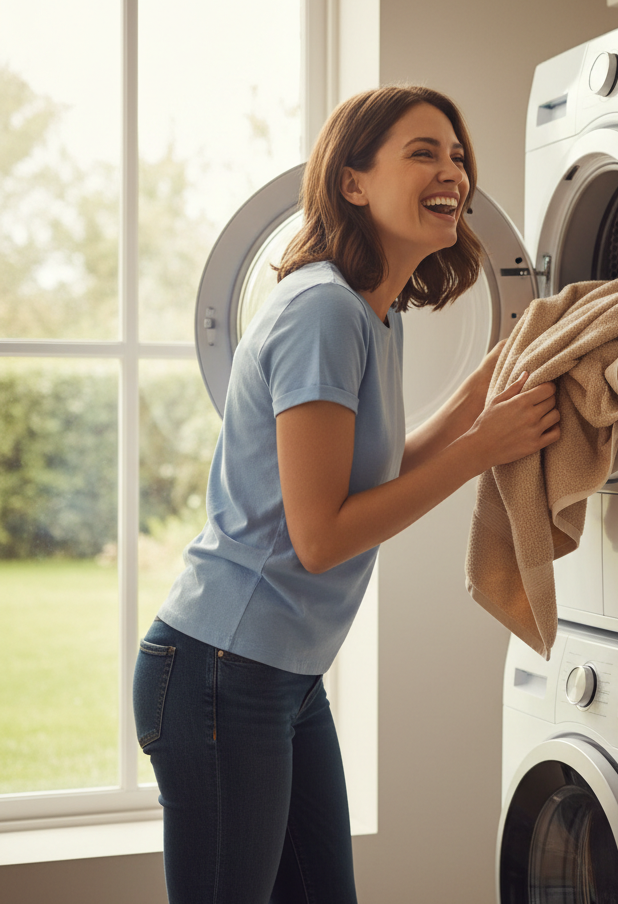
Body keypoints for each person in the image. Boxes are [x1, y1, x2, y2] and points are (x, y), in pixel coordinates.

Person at [132, 85, 561, 904]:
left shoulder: (373, 312)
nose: (455, 173)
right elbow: (322, 534)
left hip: (279, 677)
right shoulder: (324, 310)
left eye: (459, 155)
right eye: (424, 152)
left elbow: (375, 471)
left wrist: (482, 396)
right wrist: (480, 449)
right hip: (221, 674)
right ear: (353, 182)